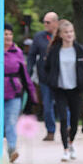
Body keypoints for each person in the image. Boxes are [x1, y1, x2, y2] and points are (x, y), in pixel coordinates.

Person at [42, 19, 83, 161]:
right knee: (63, 119)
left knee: (75, 122)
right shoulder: (54, 51)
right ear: (61, 35)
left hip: (76, 90)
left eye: (71, 32)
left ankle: (71, 143)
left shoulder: (80, 51)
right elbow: (46, 68)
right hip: (60, 90)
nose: (69, 34)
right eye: (66, 32)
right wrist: (50, 81)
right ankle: (65, 150)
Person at [0, 23, 38, 163]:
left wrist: (32, 94)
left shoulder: (17, 52)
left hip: (14, 93)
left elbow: (25, 75)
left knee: (11, 121)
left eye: (10, 34)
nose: (8, 36)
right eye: (5, 34)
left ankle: (12, 149)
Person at [26, 11, 59, 141]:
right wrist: (28, 71)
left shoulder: (63, 35)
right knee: (47, 105)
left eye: (48, 22)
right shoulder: (39, 37)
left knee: (63, 104)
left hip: (61, 78)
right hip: (45, 78)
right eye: (44, 22)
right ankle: (50, 131)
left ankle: (67, 128)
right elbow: (32, 55)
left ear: (56, 23)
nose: (45, 24)